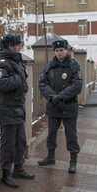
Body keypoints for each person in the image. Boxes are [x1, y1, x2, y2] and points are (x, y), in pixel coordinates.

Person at [0, 33, 35, 188]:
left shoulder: (16, 61)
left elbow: (23, 81)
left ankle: (18, 168)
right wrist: (18, 80)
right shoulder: (2, 63)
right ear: (11, 46)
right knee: (8, 143)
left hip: (17, 108)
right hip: (7, 109)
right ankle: (6, 173)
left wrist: (23, 83)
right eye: (17, 45)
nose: (19, 47)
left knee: (20, 142)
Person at [38, 39, 83, 174]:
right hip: (54, 106)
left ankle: (73, 161)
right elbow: (42, 84)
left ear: (66, 50)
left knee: (71, 135)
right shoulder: (49, 66)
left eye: (61, 50)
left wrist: (61, 96)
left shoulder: (73, 66)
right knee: (51, 133)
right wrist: (53, 97)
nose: (59, 53)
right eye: (57, 51)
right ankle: (50, 157)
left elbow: (77, 86)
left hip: (69, 106)